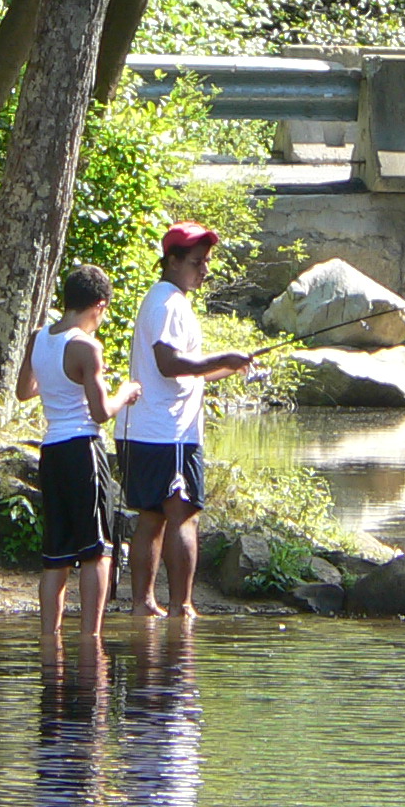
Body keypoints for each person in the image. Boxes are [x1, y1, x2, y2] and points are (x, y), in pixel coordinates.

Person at [123, 222, 253, 618]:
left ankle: (144, 605)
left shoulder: (163, 299)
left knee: (152, 517)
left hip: (144, 430)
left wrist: (229, 367)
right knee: (182, 516)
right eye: (197, 262)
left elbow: (186, 370)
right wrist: (221, 357)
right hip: (170, 433)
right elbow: (169, 364)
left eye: (207, 262)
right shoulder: (168, 302)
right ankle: (182, 607)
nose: (205, 270)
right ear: (172, 260)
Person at [17, 262, 139, 646]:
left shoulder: (39, 338)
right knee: (96, 551)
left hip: (50, 451)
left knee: (56, 553)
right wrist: (127, 392)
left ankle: (49, 637)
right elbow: (102, 412)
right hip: (83, 448)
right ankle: (91, 637)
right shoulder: (86, 347)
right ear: (99, 305)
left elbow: (24, 391)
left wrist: (57, 384)